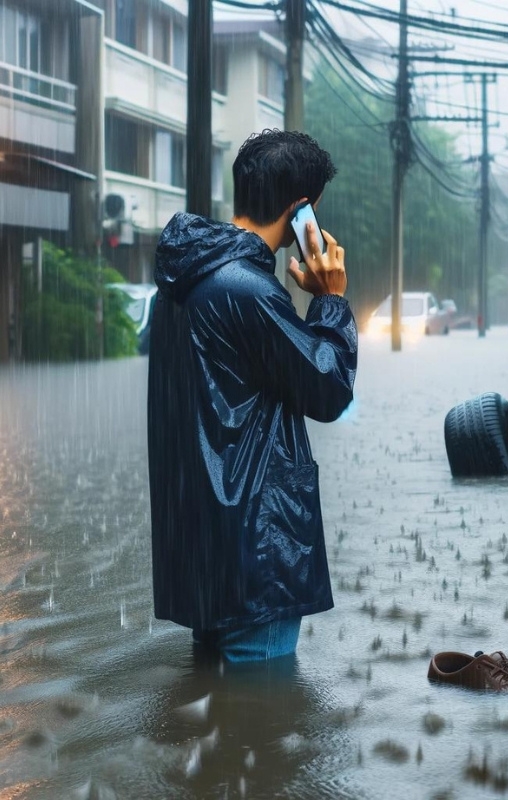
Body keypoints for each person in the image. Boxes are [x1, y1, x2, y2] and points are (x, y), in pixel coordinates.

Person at [147, 130, 356, 663]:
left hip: (202, 556)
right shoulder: (249, 291)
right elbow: (329, 390)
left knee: (218, 729)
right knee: (263, 733)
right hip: (256, 556)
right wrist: (331, 301)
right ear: (301, 209)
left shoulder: (180, 283)